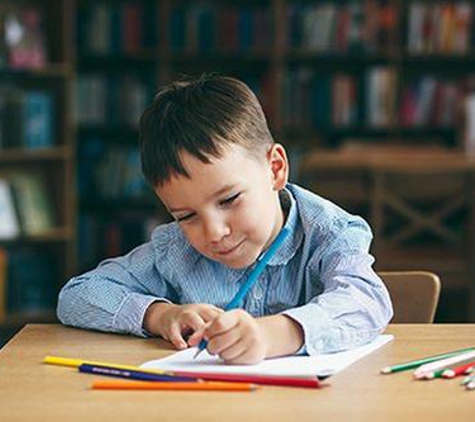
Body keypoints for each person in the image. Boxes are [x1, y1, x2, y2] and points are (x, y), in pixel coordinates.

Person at [57, 74, 393, 365]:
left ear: (275, 169)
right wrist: (160, 315)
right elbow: (78, 295)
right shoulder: (175, 249)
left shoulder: (330, 233)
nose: (213, 233)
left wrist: (273, 334)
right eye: (186, 216)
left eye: (229, 199)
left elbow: (367, 301)